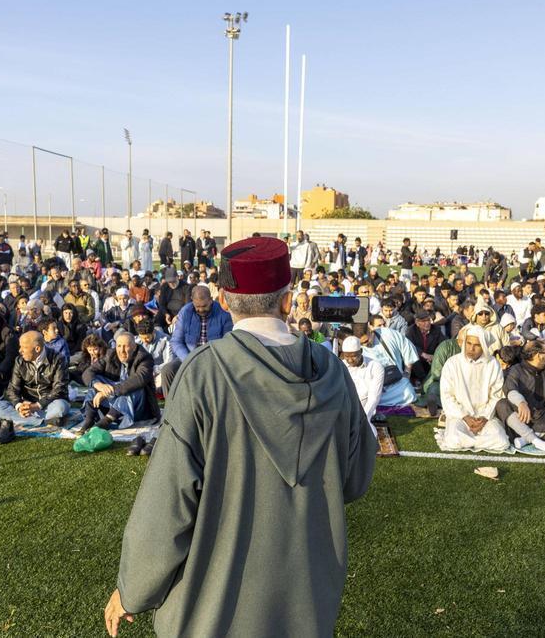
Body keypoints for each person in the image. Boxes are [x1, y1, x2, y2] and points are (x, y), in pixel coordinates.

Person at [106, 237, 376, 637]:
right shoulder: (332, 371)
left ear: (225, 301)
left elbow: (168, 502)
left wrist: (133, 589)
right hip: (306, 599)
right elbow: (354, 479)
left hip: (214, 607)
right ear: (287, 301)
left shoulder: (203, 374)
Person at [0, 330, 71, 443]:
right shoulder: (20, 361)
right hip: (27, 407)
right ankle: (42, 422)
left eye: (24, 347)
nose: (20, 350)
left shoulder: (58, 359)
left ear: (37, 349)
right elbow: (12, 389)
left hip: (49, 405)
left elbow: (59, 389)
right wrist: (19, 406)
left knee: (61, 407)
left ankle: (24, 420)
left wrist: (37, 405)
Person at [437, 324, 509, 451]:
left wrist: (484, 417)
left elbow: (496, 395)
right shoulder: (452, 363)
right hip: (460, 416)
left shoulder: (493, 364)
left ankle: (469, 441)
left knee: (501, 441)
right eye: (469, 343)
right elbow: (447, 396)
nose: (471, 348)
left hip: (485, 417)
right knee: (453, 440)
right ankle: (475, 440)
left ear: (484, 346)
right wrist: (465, 416)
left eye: (477, 345)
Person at [495, 339, 545, 454]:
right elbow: (510, 390)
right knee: (501, 404)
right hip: (521, 420)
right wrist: (521, 403)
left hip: (543, 418)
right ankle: (537, 440)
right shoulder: (516, 369)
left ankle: (528, 439)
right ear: (538, 355)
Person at [80, 330, 158, 430]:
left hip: (138, 406)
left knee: (134, 387)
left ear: (134, 347)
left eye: (126, 346)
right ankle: (89, 420)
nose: (122, 350)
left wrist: (107, 392)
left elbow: (139, 379)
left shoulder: (145, 357)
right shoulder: (110, 354)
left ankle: (106, 421)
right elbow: (88, 372)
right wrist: (99, 385)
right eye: (119, 346)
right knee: (95, 381)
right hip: (113, 399)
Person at [163, 285, 233, 390]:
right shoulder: (185, 312)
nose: (200, 310)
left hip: (213, 358)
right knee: (168, 370)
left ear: (211, 300)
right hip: (189, 356)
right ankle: (171, 404)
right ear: (192, 301)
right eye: (197, 306)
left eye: (204, 306)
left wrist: (209, 361)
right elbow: (176, 341)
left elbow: (227, 344)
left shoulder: (223, 313)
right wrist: (189, 359)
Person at [339, 334, 384, 432]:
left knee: (367, 435)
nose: (350, 360)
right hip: (344, 408)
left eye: (354, 356)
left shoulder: (375, 367)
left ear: (361, 352)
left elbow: (374, 397)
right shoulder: (341, 365)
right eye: (347, 356)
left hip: (364, 409)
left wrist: (363, 419)